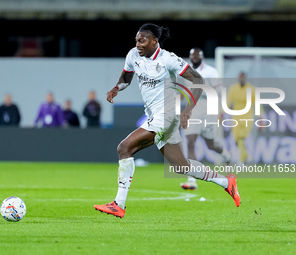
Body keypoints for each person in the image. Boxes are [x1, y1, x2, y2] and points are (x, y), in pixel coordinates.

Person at [94, 23, 240, 219]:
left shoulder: (168, 60)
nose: (138, 44)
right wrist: (116, 89)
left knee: (124, 148)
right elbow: (126, 78)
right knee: (181, 167)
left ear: (155, 41)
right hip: (154, 116)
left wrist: (188, 110)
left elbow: (198, 80)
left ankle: (118, 204)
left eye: (142, 40)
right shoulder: (133, 55)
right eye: (137, 40)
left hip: (167, 118)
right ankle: (226, 182)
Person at [180, 48, 231, 191]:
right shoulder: (185, 71)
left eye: (197, 56)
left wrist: (220, 110)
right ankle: (191, 179)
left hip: (208, 109)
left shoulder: (211, 72)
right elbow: (184, 91)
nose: (195, 57)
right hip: (192, 109)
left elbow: (220, 92)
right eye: (192, 55)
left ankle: (226, 155)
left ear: (202, 57)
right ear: (190, 57)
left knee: (211, 144)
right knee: (190, 142)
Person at [227, 72, 261, 164]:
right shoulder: (233, 88)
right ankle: (245, 155)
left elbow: (257, 104)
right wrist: (221, 113)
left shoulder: (251, 89)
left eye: (243, 78)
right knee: (237, 139)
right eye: (240, 77)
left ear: (245, 78)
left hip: (247, 117)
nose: (241, 79)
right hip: (236, 117)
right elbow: (228, 102)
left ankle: (241, 159)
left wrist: (260, 118)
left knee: (241, 137)